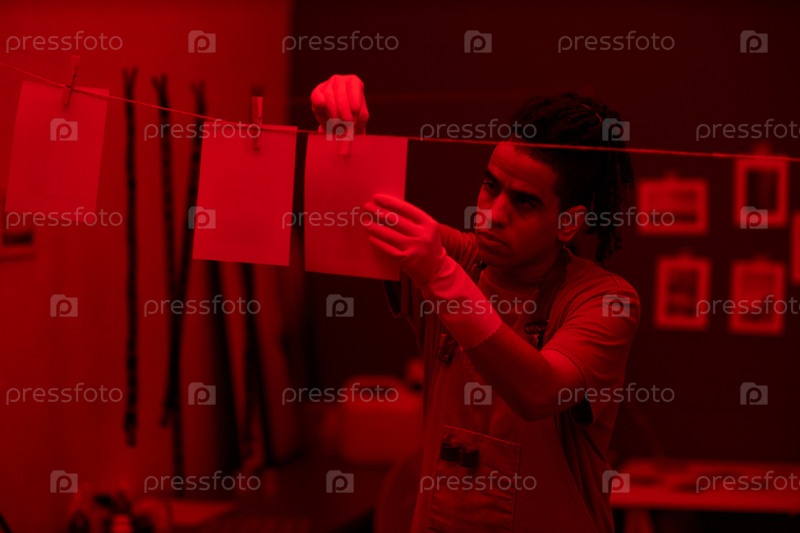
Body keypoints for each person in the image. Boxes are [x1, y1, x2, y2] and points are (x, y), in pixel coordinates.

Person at [311, 74, 641, 532]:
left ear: (568, 223)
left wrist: (440, 278)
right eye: (491, 186)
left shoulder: (605, 300)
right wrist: (343, 137)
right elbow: (358, 220)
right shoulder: (459, 261)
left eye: (524, 203)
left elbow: (540, 390)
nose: (493, 214)